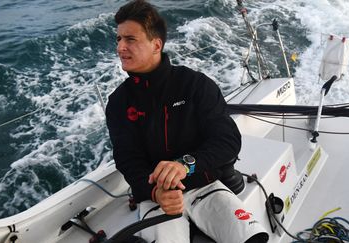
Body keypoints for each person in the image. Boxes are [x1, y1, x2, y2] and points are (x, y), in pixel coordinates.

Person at [106, 1, 269, 242]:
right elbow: (128, 159)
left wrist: (185, 164)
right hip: (158, 196)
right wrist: (155, 191)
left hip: (205, 186)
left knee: (254, 238)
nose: (120, 47)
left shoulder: (195, 85)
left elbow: (227, 140)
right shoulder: (119, 102)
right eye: (118, 39)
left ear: (156, 45)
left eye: (130, 39)